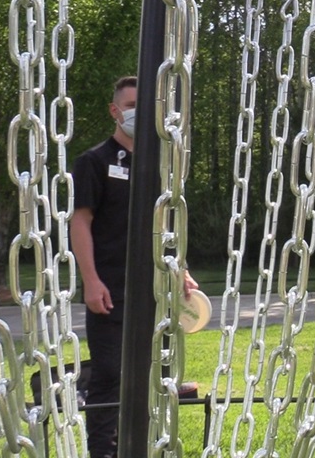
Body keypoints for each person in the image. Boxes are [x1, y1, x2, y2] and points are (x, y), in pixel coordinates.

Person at [70, 76, 198, 458]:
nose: (136, 114)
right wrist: (90, 280)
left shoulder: (161, 165)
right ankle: (103, 453)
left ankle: (148, 446)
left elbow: (169, 225)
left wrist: (183, 270)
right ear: (114, 110)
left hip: (155, 287)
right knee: (109, 375)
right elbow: (80, 223)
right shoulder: (94, 161)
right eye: (129, 106)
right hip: (110, 287)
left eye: (144, 107)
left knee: (156, 373)